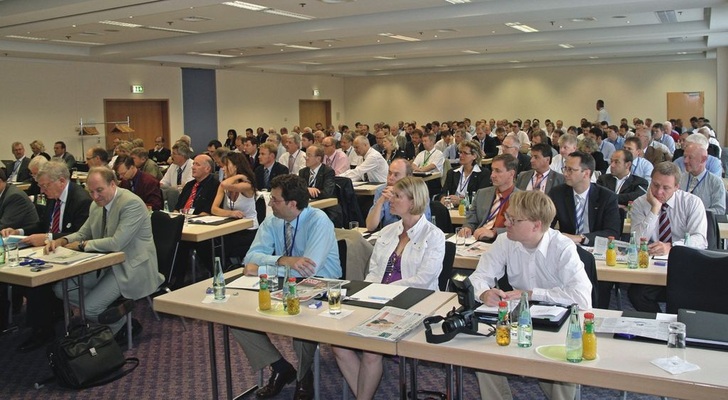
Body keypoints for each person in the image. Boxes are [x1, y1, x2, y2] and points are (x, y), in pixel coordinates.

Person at [470, 190, 591, 400]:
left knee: (563, 365)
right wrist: (484, 292)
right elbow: (480, 276)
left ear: (536, 225)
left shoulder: (562, 247)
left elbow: (581, 298)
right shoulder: (505, 241)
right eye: (507, 216)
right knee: (483, 356)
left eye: (513, 219)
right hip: (519, 315)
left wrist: (532, 294)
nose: (505, 223)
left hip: (558, 317)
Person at [332, 177, 445, 400]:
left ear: (413, 202)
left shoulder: (434, 236)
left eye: (397, 196)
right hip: (378, 298)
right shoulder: (388, 231)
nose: (390, 200)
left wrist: (386, 291)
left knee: (371, 350)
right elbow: (373, 270)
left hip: (414, 303)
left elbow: (423, 279)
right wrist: (369, 293)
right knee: (338, 343)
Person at [231, 175, 341, 400]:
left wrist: (262, 269)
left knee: (299, 317)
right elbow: (250, 256)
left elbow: (307, 271)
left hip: (320, 285)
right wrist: (282, 260)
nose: (270, 204)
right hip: (282, 281)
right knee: (235, 318)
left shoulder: (318, 221)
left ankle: (304, 375)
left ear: (292, 204)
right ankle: (281, 367)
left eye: (275, 200)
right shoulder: (273, 220)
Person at [46, 167, 163, 340]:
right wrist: (62, 241)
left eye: (99, 190)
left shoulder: (131, 203)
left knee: (91, 308)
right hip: (106, 263)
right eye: (91, 191)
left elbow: (116, 243)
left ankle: (119, 325)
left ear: (113, 184)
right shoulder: (96, 204)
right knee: (62, 289)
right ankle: (114, 317)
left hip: (131, 266)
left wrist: (81, 245)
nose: (94, 196)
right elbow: (83, 233)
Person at [628, 162, 708, 312]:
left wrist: (672, 247)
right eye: (655, 185)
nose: (658, 192)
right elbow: (637, 241)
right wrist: (654, 209)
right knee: (637, 294)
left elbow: (700, 240)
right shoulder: (640, 203)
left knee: (680, 296)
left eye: (666, 188)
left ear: (677, 187)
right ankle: (658, 325)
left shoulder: (692, 203)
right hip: (653, 268)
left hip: (685, 266)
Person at [549, 151, 620, 246]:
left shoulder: (607, 197)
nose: (565, 174)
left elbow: (612, 232)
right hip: (566, 248)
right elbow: (546, 225)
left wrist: (580, 238)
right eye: (565, 169)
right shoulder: (557, 193)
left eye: (570, 170)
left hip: (595, 248)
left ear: (586, 173)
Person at [211, 152, 259, 263]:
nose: (223, 169)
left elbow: (224, 185)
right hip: (233, 227)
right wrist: (230, 213)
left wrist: (237, 176)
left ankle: (229, 267)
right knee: (214, 243)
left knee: (225, 246)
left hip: (248, 230)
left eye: (226, 166)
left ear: (236, 167)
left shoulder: (247, 185)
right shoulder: (225, 184)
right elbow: (214, 209)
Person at [460, 154, 519, 242]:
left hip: (504, 243)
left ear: (511, 174)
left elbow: (520, 228)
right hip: (477, 240)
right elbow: (471, 220)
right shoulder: (482, 193)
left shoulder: (522, 199)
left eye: (498, 171)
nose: (492, 175)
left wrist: (495, 232)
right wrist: (468, 228)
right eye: (492, 170)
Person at [678, 139, 725, 216]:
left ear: (703, 159)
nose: (685, 161)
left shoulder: (715, 182)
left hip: (703, 224)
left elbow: (719, 210)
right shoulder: (680, 178)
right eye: (685, 156)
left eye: (690, 157)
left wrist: (696, 213)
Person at [299, 144, 342, 227]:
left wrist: (308, 192)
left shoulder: (328, 171)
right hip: (308, 206)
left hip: (327, 206)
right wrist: (307, 189)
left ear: (318, 159)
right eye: (306, 154)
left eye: (309, 155)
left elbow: (327, 193)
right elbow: (298, 190)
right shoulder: (303, 172)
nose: (306, 158)